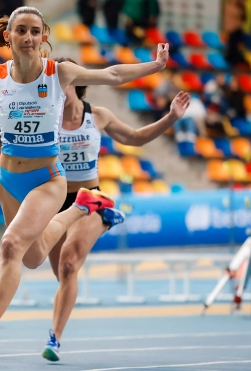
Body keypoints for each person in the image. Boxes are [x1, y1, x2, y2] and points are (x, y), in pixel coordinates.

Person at [0, 6, 169, 360]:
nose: (28, 38)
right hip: (8, 182)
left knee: (9, 248)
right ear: (8, 36)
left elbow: (112, 74)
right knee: (33, 257)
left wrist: (154, 66)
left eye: (35, 31)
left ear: (44, 37)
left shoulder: (59, 73)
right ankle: (82, 206)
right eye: (21, 31)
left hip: (47, 179)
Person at [41, 57, 191, 362]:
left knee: (70, 264)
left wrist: (171, 117)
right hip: (56, 201)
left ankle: (54, 339)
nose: (56, 87)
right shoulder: (45, 118)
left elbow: (135, 138)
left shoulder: (98, 116)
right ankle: (108, 215)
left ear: (76, 84)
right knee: (62, 274)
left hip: (88, 199)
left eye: (63, 81)